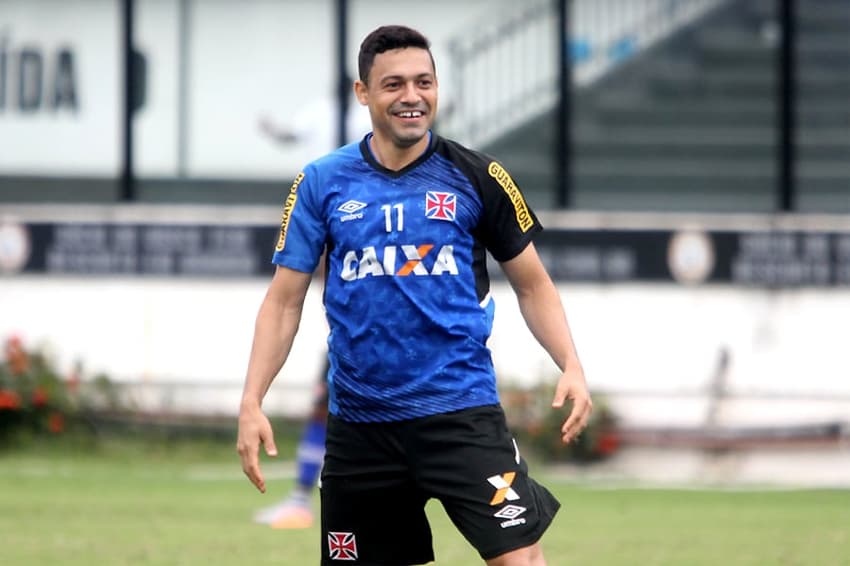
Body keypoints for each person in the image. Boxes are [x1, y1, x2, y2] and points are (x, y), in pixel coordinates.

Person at [238, 25, 592, 565]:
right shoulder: (320, 182)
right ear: (364, 94)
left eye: (424, 82)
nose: (411, 96)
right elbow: (284, 301)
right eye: (394, 84)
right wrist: (251, 400)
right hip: (361, 426)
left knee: (520, 561)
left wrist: (570, 363)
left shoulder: (479, 175)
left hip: (461, 415)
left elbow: (533, 284)